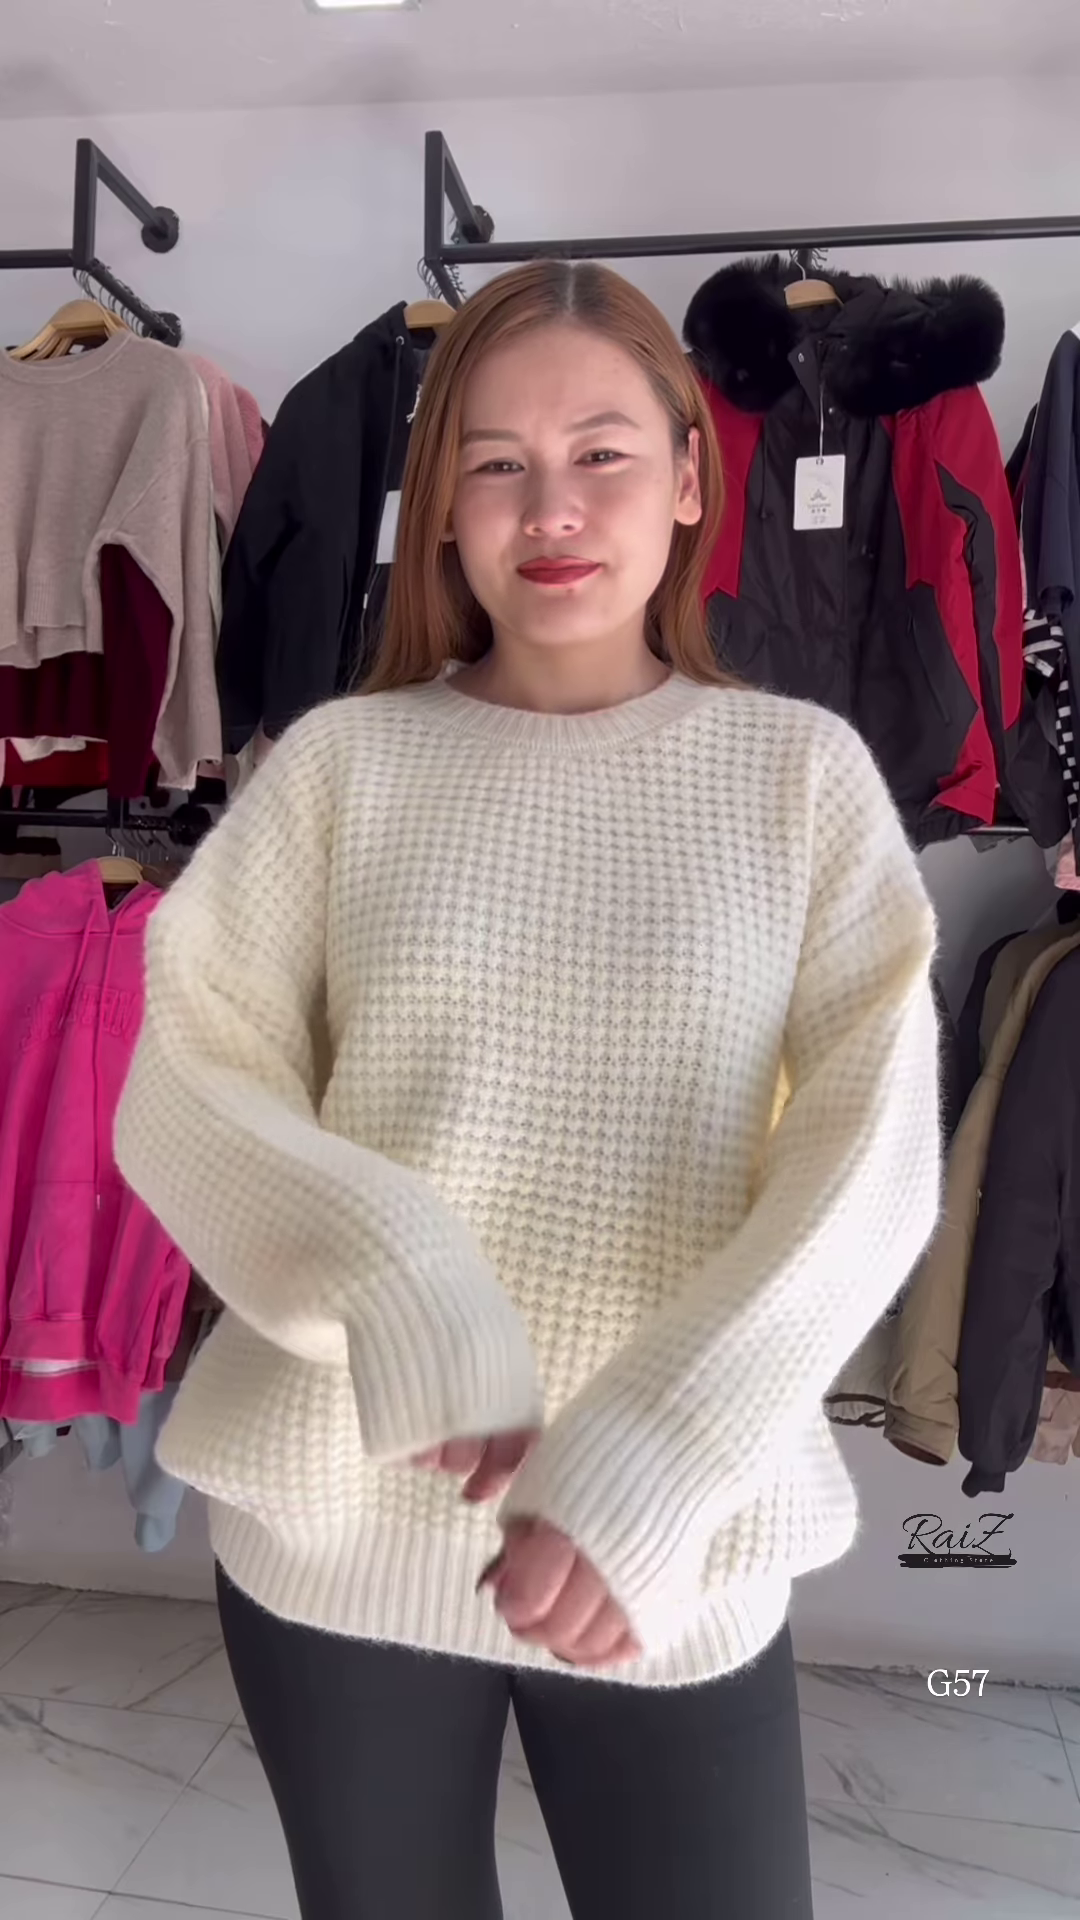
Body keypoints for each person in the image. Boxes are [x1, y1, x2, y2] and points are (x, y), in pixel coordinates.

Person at [115, 260, 941, 1920]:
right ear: (440, 505)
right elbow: (191, 1077)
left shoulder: (797, 779)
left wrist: (662, 1444)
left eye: (601, 453)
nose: (550, 508)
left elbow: (870, 1158)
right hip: (340, 1519)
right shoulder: (340, 767)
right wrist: (396, 1271)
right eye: (495, 462)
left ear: (691, 477)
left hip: (674, 1534)